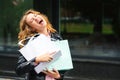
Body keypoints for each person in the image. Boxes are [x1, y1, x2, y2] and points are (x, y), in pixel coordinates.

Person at [15, 9, 66, 80]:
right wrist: (36, 59)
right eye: (32, 20)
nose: (36, 18)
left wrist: (58, 76)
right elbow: (19, 70)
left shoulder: (56, 37)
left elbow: (64, 66)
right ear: (31, 28)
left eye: (35, 15)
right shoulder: (29, 43)